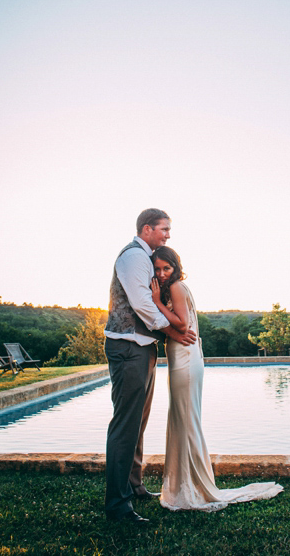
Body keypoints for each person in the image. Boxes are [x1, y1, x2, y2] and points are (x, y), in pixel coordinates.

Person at [150, 246, 283, 511]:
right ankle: (182, 486)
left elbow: (182, 324)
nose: (162, 274)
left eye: (167, 268)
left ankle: (189, 489)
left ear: (176, 268)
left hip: (185, 360)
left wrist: (155, 303)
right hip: (185, 357)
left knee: (185, 420)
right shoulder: (175, 287)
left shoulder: (176, 287)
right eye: (157, 269)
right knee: (184, 419)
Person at [104, 208, 197, 524]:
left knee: (138, 423)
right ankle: (118, 505)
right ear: (147, 229)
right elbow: (143, 304)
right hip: (128, 348)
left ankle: (134, 487)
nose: (168, 234)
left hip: (142, 349)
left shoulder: (148, 258)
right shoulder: (133, 258)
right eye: (164, 229)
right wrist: (173, 332)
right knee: (125, 425)